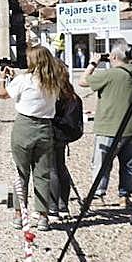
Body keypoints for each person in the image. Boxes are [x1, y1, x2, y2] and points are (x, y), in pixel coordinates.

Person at [0, 44, 61, 231]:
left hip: (24, 126)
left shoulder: (24, 80)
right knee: (42, 174)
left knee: (21, 173)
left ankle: (19, 215)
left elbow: (2, 95)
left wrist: (2, 79)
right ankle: (43, 217)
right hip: (45, 128)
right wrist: (17, 77)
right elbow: (34, 83)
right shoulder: (54, 80)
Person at [79, 42, 132, 207]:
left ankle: (98, 195)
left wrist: (93, 63)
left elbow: (83, 81)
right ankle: (125, 196)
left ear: (113, 57)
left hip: (109, 127)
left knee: (102, 164)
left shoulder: (109, 74)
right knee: (128, 164)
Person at [49, 61, 85, 219]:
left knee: (52, 171)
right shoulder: (71, 94)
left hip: (53, 134)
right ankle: (63, 205)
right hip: (65, 136)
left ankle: (53, 207)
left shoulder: (55, 95)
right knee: (61, 168)